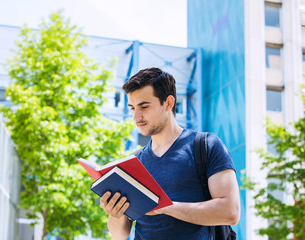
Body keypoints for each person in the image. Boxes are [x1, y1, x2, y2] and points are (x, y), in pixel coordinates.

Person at [100, 67, 240, 240]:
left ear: (169, 103)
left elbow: (230, 212)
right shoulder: (134, 162)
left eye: (144, 106)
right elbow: (120, 235)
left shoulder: (206, 146)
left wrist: (166, 207)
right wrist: (115, 213)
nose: (136, 117)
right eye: (132, 108)